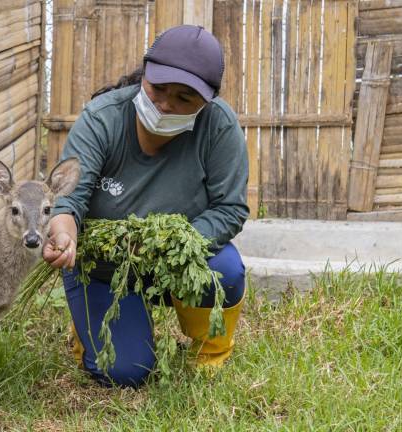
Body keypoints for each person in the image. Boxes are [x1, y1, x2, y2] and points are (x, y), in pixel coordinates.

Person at [42, 24, 249, 387]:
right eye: (158, 88)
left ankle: (209, 352)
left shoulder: (218, 128)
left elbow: (229, 208)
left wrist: (172, 243)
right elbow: (68, 199)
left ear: (207, 101)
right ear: (145, 74)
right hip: (103, 267)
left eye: (184, 98)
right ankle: (90, 330)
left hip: (175, 260)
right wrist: (63, 234)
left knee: (225, 269)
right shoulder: (103, 119)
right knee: (126, 371)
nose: (165, 104)